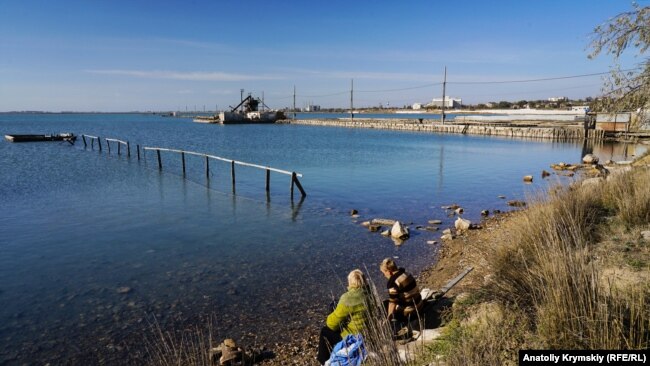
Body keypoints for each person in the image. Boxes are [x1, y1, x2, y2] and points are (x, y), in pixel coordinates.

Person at [316, 269, 368, 365]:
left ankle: (324, 361)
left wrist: (331, 314)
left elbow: (331, 324)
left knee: (325, 332)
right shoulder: (369, 294)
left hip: (353, 335)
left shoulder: (348, 298)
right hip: (367, 332)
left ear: (350, 282)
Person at [379, 258, 423, 324]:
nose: (384, 275)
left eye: (384, 273)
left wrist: (389, 319)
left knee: (384, 305)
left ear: (389, 271)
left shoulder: (393, 282)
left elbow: (392, 303)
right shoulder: (406, 274)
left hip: (410, 313)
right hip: (420, 306)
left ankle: (389, 325)